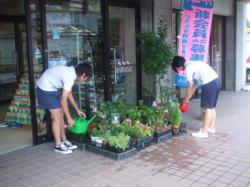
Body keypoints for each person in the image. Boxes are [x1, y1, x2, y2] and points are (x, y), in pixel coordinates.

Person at [36, 63, 92, 153]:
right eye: (86, 78)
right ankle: (58, 145)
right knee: (57, 116)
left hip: (51, 88)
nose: (85, 80)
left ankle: (64, 141)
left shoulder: (71, 73)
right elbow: (63, 100)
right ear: (83, 74)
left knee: (61, 114)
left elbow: (69, 94)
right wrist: (69, 118)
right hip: (45, 89)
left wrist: (77, 109)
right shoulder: (69, 76)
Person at [171, 56, 220, 138]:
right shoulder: (193, 64)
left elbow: (189, 85)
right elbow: (195, 84)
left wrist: (186, 99)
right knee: (211, 107)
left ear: (179, 66)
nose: (179, 70)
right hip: (216, 81)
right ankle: (211, 127)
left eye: (177, 69)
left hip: (209, 83)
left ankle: (204, 132)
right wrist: (189, 97)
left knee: (207, 108)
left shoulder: (188, 68)